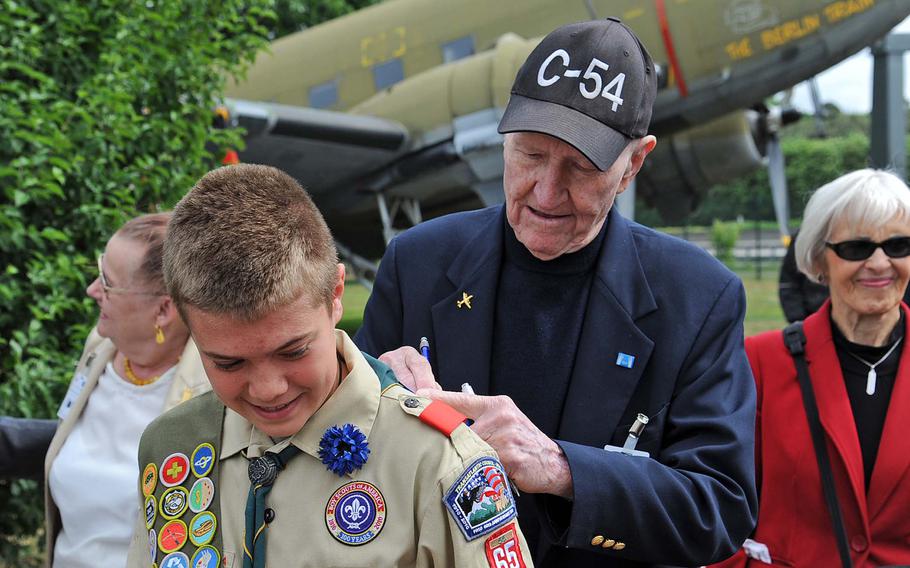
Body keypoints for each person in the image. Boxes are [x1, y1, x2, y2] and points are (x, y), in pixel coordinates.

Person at [355, 17, 757, 568]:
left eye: (581, 166)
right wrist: (369, 396)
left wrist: (560, 468)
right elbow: (345, 458)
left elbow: (720, 508)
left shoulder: (699, 298)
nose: (545, 191)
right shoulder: (417, 262)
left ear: (634, 164)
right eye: (529, 154)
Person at [126, 164, 531, 568]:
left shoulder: (440, 463)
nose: (268, 388)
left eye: (293, 351)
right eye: (229, 363)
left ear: (335, 294)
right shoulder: (174, 448)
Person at [713, 169, 910, 567]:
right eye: (857, 248)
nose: (879, 263)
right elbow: (717, 505)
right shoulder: (760, 363)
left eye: (898, 245)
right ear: (820, 259)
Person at [44, 212, 210, 567]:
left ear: (163, 309)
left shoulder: (208, 390)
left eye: (107, 282)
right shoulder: (99, 349)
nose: (91, 290)